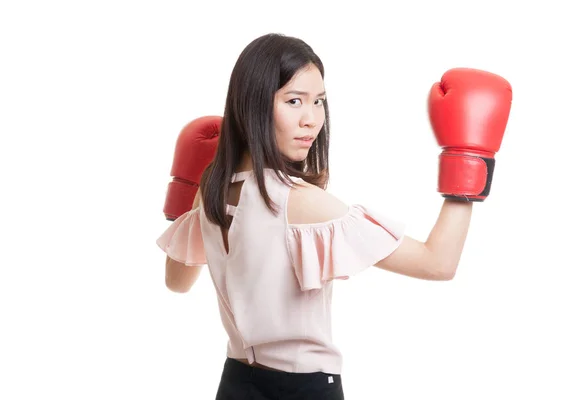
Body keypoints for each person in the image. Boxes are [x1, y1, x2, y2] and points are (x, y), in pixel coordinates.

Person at [156, 33, 512, 400]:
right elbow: (439, 263)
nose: (312, 120)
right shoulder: (300, 203)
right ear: (254, 105)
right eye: (294, 101)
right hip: (304, 390)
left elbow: (177, 282)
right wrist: (469, 155)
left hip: (234, 385)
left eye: (319, 102)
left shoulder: (210, 189)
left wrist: (188, 184)